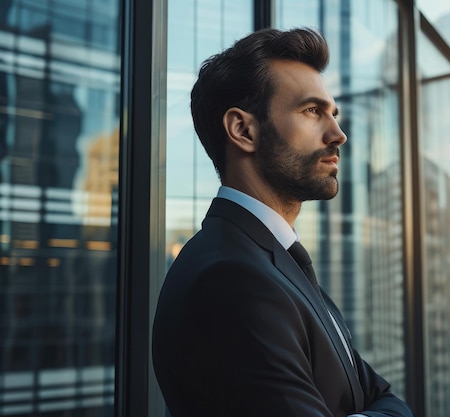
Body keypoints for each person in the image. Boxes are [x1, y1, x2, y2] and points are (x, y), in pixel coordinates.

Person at [152, 27, 414, 417]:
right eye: (312, 111)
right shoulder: (231, 278)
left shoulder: (277, 262)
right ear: (243, 130)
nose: (338, 134)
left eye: (333, 114)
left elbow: (386, 397)